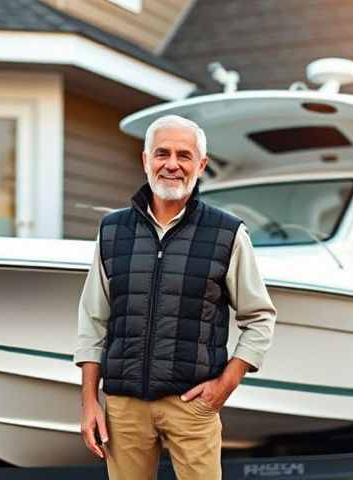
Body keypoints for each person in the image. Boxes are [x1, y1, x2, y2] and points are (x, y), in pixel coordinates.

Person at [74, 114, 277, 480]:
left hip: (193, 404)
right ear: (145, 160)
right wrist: (90, 400)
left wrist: (224, 386)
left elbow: (259, 317)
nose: (171, 164)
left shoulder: (227, 233)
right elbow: (93, 320)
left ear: (201, 165)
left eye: (184, 155)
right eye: (162, 153)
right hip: (124, 406)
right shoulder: (111, 231)